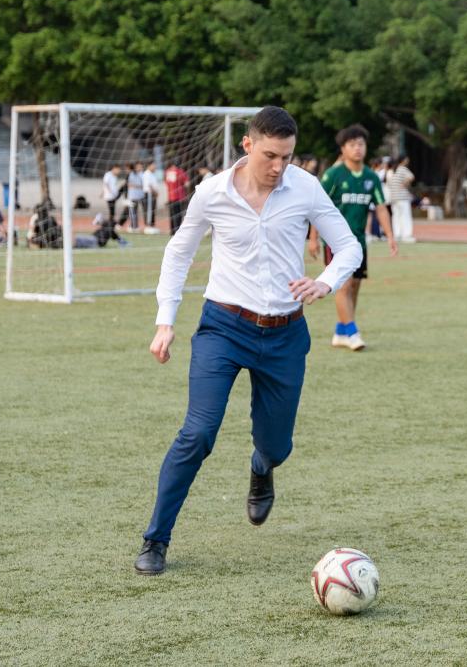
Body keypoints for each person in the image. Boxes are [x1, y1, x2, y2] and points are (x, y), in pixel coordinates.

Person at [134, 106, 362, 576]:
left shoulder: (305, 187)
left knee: (277, 447)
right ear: (248, 145)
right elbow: (179, 252)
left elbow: (349, 246)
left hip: (285, 335)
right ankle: (156, 539)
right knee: (198, 433)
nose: (279, 166)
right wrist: (164, 321)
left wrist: (325, 281)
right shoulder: (211, 192)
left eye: (287, 157)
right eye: (270, 156)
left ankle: (262, 466)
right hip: (224, 327)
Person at [308, 124, 397, 352]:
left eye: (361, 144)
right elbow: (317, 207)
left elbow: (380, 208)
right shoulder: (333, 175)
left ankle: (341, 331)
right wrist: (313, 237)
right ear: (343, 148)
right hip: (334, 242)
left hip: (358, 242)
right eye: (352, 144)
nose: (357, 148)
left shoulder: (371, 177)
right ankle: (352, 332)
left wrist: (390, 236)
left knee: (355, 285)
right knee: (344, 284)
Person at [387, 154, 416, 243]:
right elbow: (411, 177)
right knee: (405, 216)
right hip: (402, 197)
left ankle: (397, 234)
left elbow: (389, 183)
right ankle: (406, 235)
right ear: (403, 160)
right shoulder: (403, 169)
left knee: (396, 217)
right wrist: (405, 183)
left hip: (394, 197)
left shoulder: (393, 170)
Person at [164, 161, 189, 235]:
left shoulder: (167, 172)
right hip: (179, 196)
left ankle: (172, 230)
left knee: (172, 214)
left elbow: (166, 183)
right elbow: (187, 183)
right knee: (178, 214)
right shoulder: (179, 171)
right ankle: (177, 230)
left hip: (170, 196)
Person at [119, 162, 145, 231]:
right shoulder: (131, 174)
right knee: (132, 212)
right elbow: (127, 184)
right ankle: (133, 226)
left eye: (140, 166)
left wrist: (134, 186)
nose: (139, 168)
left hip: (139, 196)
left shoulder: (141, 174)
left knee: (134, 212)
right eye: (138, 167)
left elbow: (142, 185)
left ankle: (134, 226)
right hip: (132, 196)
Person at [142, 161, 161, 234]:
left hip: (153, 194)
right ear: (149, 166)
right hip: (149, 194)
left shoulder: (153, 174)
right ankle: (148, 226)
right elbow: (149, 185)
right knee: (148, 210)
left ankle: (152, 225)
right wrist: (155, 192)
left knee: (152, 210)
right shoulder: (146, 174)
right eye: (153, 165)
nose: (154, 167)